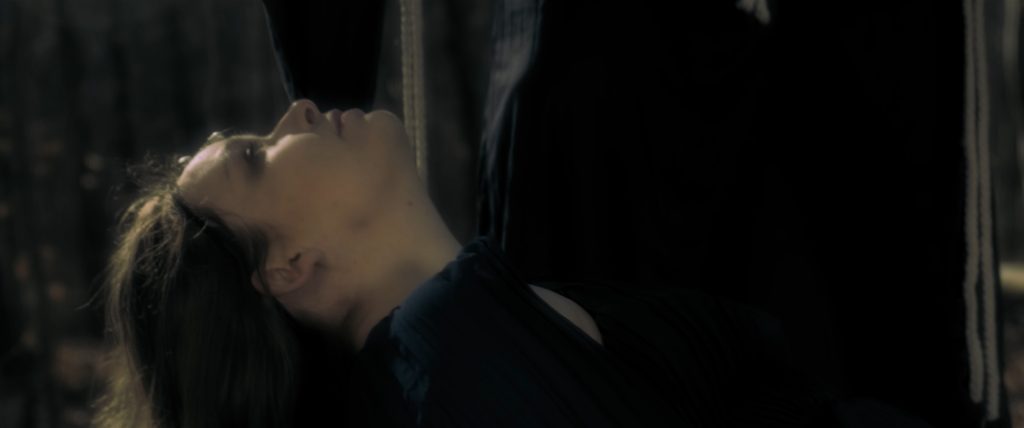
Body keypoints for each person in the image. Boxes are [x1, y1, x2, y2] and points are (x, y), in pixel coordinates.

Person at [95, 99, 850, 427]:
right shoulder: (462, 378)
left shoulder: (459, 342)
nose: (297, 113)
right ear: (289, 266)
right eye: (257, 157)